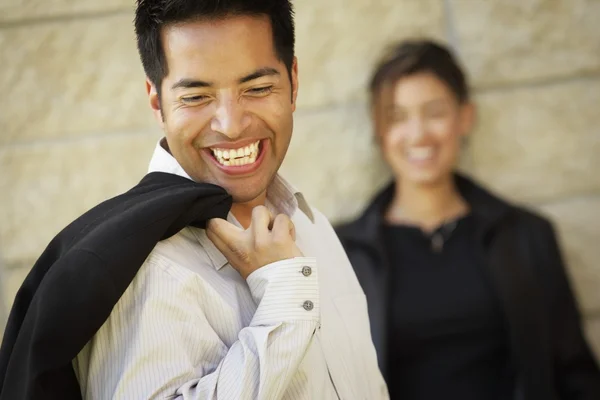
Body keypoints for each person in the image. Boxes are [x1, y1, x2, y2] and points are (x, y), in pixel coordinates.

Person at [0, 1, 389, 399]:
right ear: (157, 102)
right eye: (197, 97)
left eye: (256, 89)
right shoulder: (147, 270)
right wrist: (286, 303)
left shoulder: (310, 224)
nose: (231, 124)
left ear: (293, 82)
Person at [335, 39, 600, 400]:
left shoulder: (526, 236)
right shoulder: (344, 254)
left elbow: (576, 376)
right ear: (378, 130)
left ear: (465, 116)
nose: (418, 134)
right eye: (397, 117)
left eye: (434, 112)